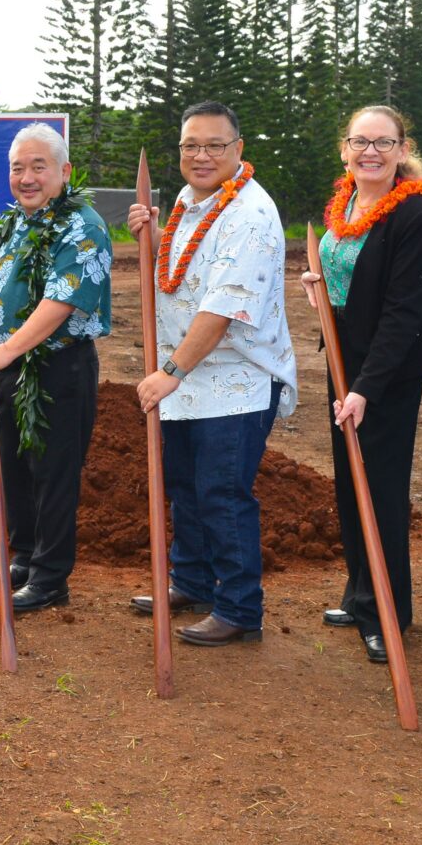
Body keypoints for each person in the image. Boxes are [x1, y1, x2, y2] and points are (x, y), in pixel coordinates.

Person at [124, 102, 297, 646]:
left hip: (236, 381)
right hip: (187, 378)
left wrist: (170, 370)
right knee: (186, 489)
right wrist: (147, 240)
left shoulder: (250, 214)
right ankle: (191, 581)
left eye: (214, 146)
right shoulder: (184, 202)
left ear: (238, 150)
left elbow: (222, 308)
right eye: (190, 146)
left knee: (222, 493)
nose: (201, 156)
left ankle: (240, 608)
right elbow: (178, 277)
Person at [308, 106, 422, 664]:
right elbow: (348, 281)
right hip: (344, 358)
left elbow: (404, 310)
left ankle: (388, 613)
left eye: (382, 142)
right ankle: (360, 591)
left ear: (401, 149)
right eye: (359, 141)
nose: (370, 151)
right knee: (348, 479)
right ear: (344, 149)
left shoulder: (415, 214)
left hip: (384, 371)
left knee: (381, 489)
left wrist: (367, 387)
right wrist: (319, 287)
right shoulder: (345, 201)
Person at [0, 122, 113, 613]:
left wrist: (8, 350)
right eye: (17, 168)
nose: (26, 177)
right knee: (15, 467)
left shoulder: (83, 226)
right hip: (9, 364)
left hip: (57, 365)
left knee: (53, 472)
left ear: (64, 171)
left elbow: (62, 300)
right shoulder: (20, 221)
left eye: (38, 166)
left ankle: (50, 577)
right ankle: (24, 557)